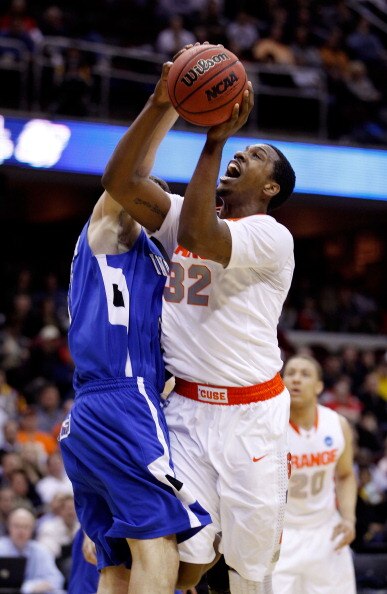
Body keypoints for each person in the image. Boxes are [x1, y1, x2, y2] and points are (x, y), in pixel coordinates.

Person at [102, 43, 296, 594]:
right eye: (242, 148)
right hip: (185, 408)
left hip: (251, 416)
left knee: (250, 569)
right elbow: (119, 183)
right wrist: (161, 102)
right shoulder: (188, 213)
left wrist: (216, 138)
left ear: (271, 188)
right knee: (181, 559)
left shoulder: (269, 236)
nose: (242, 154)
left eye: (254, 155)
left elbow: (198, 238)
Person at [58, 164, 211, 594]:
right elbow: (124, 176)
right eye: (147, 200)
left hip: (95, 409)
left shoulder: (161, 261)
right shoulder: (110, 233)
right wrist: (165, 106)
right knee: (159, 540)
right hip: (123, 400)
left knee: (119, 564)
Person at [272, 354, 357, 594]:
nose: (296, 379)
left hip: (326, 532)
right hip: (280, 534)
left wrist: (348, 518)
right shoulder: (268, 425)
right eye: (290, 373)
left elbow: (345, 475)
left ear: (319, 386)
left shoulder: (337, 424)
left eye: (305, 374)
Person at [0, 506, 65, 594]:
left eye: (25, 527)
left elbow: (57, 579)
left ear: (32, 529)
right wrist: (28, 587)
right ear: (9, 527)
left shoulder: (40, 550)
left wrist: (39, 586)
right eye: (17, 526)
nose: (21, 531)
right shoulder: (1, 548)